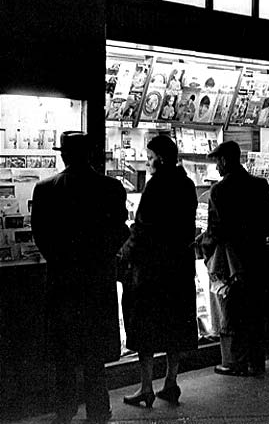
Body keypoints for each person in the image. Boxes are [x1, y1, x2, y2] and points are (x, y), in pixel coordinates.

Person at [31, 131, 128, 424]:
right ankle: (99, 409)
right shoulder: (111, 188)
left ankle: (65, 409)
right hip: (97, 281)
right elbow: (120, 232)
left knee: (65, 354)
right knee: (94, 355)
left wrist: (60, 261)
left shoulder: (45, 188)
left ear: (64, 155)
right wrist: (101, 259)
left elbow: (41, 235)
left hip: (62, 281)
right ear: (91, 154)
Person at [120, 135, 198, 407]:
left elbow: (141, 228)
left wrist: (124, 254)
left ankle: (145, 388)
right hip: (179, 267)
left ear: (161, 158)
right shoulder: (187, 184)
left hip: (152, 270)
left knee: (146, 328)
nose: (147, 161)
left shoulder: (155, 187)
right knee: (175, 326)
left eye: (150, 156)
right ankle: (171, 382)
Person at [200, 141, 269, 376]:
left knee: (233, 312)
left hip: (232, 262)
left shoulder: (219, 191)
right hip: (257, 256)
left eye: (217, 163)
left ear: (224, 161)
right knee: (256, 311)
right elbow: (268, 224)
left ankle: (236, 362)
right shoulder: (260, 185)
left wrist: (204, 248)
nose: (217, 168)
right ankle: (257, 362)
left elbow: (215, 230)